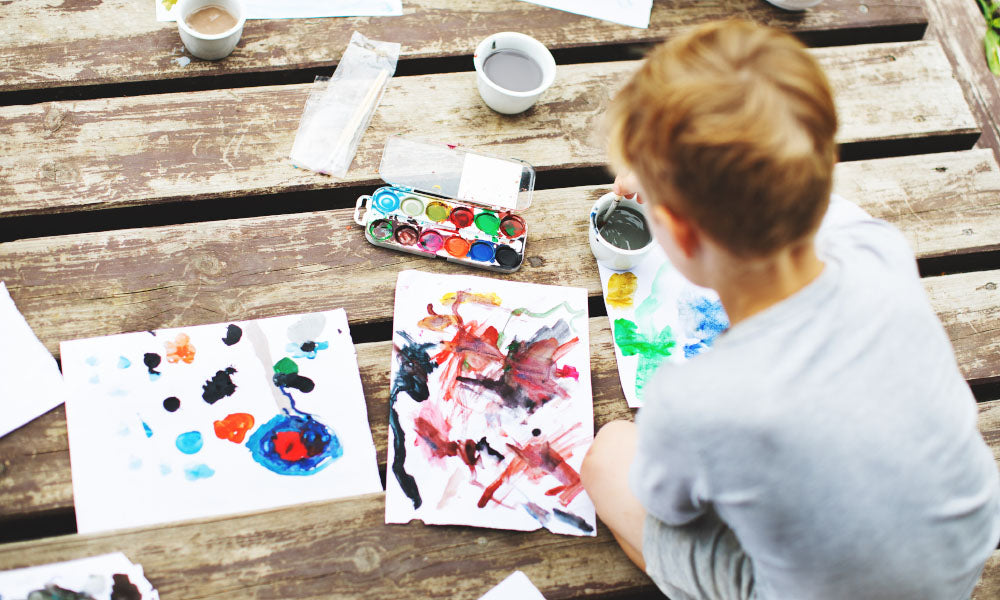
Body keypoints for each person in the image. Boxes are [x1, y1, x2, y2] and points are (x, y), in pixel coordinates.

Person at [580, 19, 1000, 600]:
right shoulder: (874, 245)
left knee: (608, 457)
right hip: (963, 554)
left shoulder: (695, 401)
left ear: (673, 227)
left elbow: (669, 506)